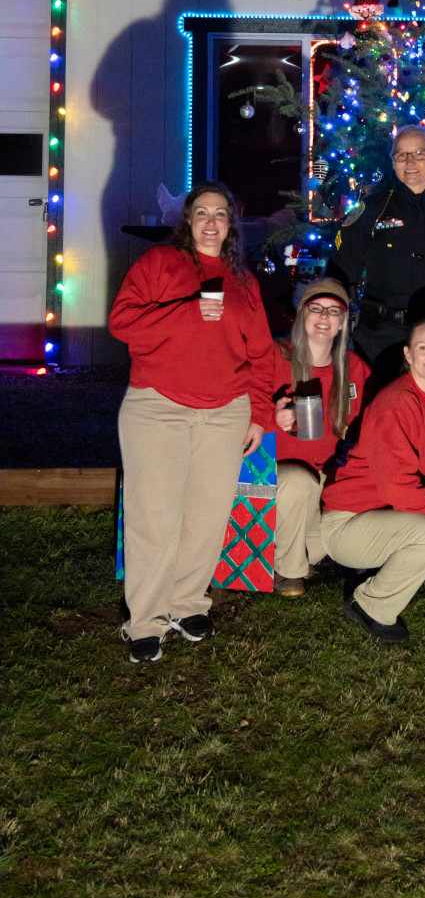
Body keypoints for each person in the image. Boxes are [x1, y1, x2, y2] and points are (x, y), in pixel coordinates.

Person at [109, 182, 276, 665]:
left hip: (227, 411)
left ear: (230, 225)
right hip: (157, 405)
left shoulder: (244, 282)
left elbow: (262, 354)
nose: (210, 222)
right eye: (201, 213)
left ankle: (186, 603)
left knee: (207, 513)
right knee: (154, 514)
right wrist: (187, 311)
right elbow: (123, 324)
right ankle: (145, 620)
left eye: (219, 214)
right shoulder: (158, 265)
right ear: (187, 220)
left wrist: (261, 414)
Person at [320, 317, 425, 644]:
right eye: (423, 347)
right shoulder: (396, 402)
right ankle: (371, 603)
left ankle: (394, 572)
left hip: (389, 513)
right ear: (408, 354)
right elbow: (397, 485)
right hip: (351, 522)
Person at [327, 125, 425, 393]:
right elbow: (340, 271)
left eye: (418, 153)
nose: (410, 162)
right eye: (401, 155)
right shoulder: (370, 210)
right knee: (383, 420)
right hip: (384, 337)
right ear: (393, 162)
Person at [271, 277, 370, 597]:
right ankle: (289, 572)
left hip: (322, 470)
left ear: (343, 322)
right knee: (301, 483)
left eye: (333, 310)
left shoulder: (353, 367)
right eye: (315, 309)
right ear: (301, 316)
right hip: (267, 471)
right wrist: (270, 416)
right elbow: (236, 405)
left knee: (351, 498)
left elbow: (373, 421)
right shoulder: (276, 356)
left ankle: (286, 555)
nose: (324, 316)